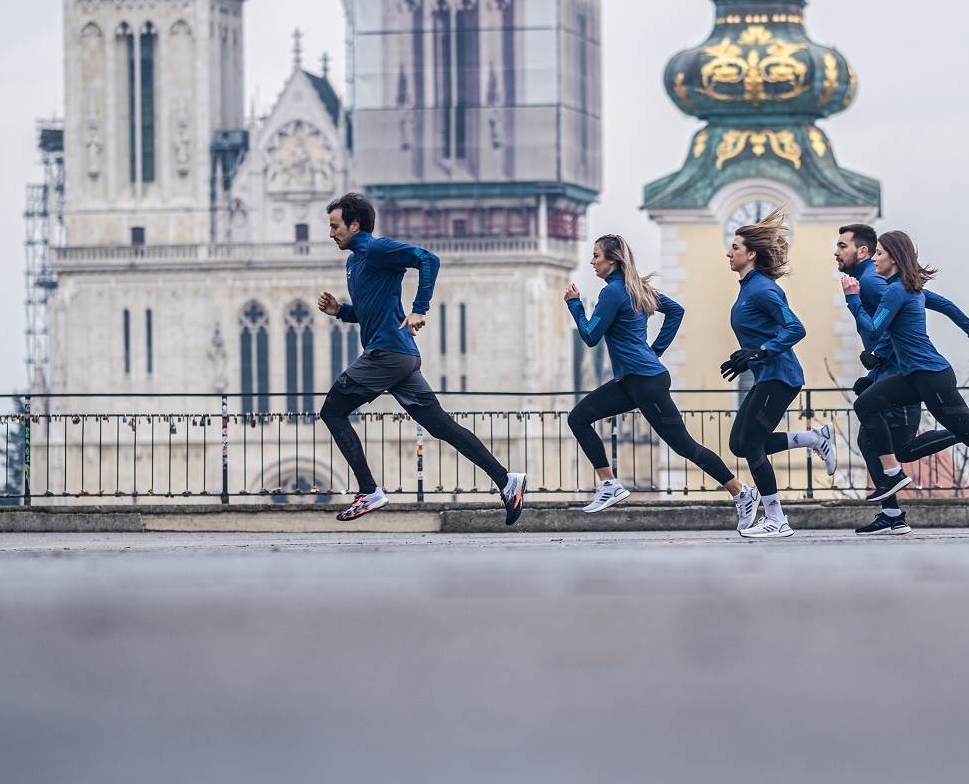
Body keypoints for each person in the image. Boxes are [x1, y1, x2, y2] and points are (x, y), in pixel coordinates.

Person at [316, 193, 527, 524]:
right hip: (399, 356)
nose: (331, 233)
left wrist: (420, 308)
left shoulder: (377, 248)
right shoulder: (354, 261)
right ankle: (507, 480)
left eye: (335, 225)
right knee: (440, 426)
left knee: (332, 410)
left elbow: (429, 259)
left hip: (386, 354)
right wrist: (341, 311)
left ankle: (368, 490)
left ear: (355, 225)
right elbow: (375, 311)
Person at [565, 235, 760, 529]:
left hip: (645, 381)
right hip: (636, 379)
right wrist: (653, 353)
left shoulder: (614, 292)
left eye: (596, 256)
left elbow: (591, 336)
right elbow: (675, 311)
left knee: (683, 445)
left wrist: (575, 305)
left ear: (612, 260)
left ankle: (742, 492)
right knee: (579, 418)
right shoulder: (636, 288)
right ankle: (609, 483)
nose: (592, 261)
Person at [851, 231, 969, 533]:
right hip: (915, 376)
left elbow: (872, 330)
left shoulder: (898, 291)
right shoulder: (905, 288)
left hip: (932, 378)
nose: (873, 259)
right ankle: (893, 472)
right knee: (866, 404)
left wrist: (853, 299)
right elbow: (946, 305)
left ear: (894, 259)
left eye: (879, 254)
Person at [720, 208, 835, 539]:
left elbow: (795, 328)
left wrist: (759, 352)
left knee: (752, 445)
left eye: (736, 248)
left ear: (751, 254)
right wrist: (749, 357)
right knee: (739, 444)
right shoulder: (748, 288)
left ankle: (776, 518)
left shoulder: (763, 290)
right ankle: (814, 438)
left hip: (781, 376)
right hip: (767, 376)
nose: (729, 253)